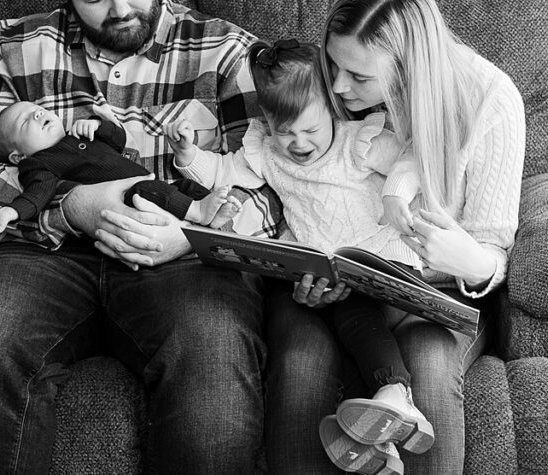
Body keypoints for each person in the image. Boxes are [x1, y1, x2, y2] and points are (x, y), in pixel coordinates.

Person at [0, 0, 282, 474]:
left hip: (181, 258)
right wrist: (71, 208)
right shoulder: (12, 44)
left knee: (212, 356)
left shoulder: (225, 52)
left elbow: (276, 187)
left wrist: (191, 236)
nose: (120, 9)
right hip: (40, 251)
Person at [263, 0, 527, 474]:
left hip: (433, 293)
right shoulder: (331, 92)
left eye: (359, 77)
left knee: (427, 367)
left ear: (409, 68)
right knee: (301, 365)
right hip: (347, 287)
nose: (338, 87)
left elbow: (494, 251)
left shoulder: (490, 101)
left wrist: (467, 258)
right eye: (334, 66)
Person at [165, 39, 435, 474]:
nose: (298, 143)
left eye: (310, 130)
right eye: (284, 131)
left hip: (383, 260)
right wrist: (188, 156)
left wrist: (401, 197)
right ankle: (380, 445)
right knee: (326, 325)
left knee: (354, 314)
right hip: (329, 274)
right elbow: (222, 171)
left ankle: (397, 395)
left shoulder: (358, 142)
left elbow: (417, 158)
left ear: (332, 108)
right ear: (267, 123)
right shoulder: (266, 152)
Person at [0, 101, 241, 234]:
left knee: (182, 186)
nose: (38, 114)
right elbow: (37, 194)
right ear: (17, 156)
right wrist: (9, 213)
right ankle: (197, 211)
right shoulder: (38, 164)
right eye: (26, 123)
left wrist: (99, 126)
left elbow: (119, 142)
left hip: (150, 184)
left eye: (39, 109)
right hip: (129, 199)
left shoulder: (79, 133)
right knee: (149, 189)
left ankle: (209, 213)